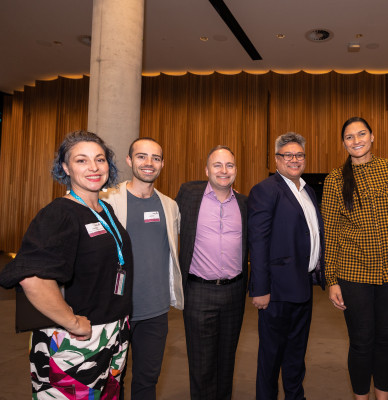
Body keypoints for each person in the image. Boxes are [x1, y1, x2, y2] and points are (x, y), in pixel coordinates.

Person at [0, 130, 132, 398]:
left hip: (113, 333)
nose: (94, 167)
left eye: (100, 159)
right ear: (65, 168)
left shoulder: (104, 209)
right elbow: (32, 278)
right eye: (81, 160)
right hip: (75, 340)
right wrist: (72, 322)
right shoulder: (59, 213)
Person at [322, 117, 388, 400]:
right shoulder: (336, 178)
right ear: (343, 143)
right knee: (361, 342)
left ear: (372, 136)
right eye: (349, 136)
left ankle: (383, 398)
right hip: (353, 273)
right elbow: (331, 232)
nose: (356, 140)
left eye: (361, 134)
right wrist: (332, 279)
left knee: (386, 341)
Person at [101, 137, 184, 399]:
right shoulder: (107, 200)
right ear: (129, 160)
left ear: (162, 164)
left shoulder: (170, 206)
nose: (149, 163)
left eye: (155, 158)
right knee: (112, 381)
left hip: (155, 311)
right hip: (115, 310)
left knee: (147, 382)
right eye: (141, 156)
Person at [248, 132, 325, 400]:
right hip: (276, 292)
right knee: (271, 358)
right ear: (277, 159)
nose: (294, 159)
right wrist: (260, 289)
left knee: (296, 355)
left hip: (303, 287)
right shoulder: (265, 190)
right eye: (287, 155)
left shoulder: (308, 191)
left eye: (299, 155)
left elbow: (311, 234)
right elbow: (258, 242)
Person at [176, 145, 248, 400]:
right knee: (201, 362)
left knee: (227, 360)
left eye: (229, 165)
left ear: (236, 171)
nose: (223, 170)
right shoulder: (189, 194)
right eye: (217, 165)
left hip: (235, 292)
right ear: (206, 170)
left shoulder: (243, 203)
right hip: (198, 291)